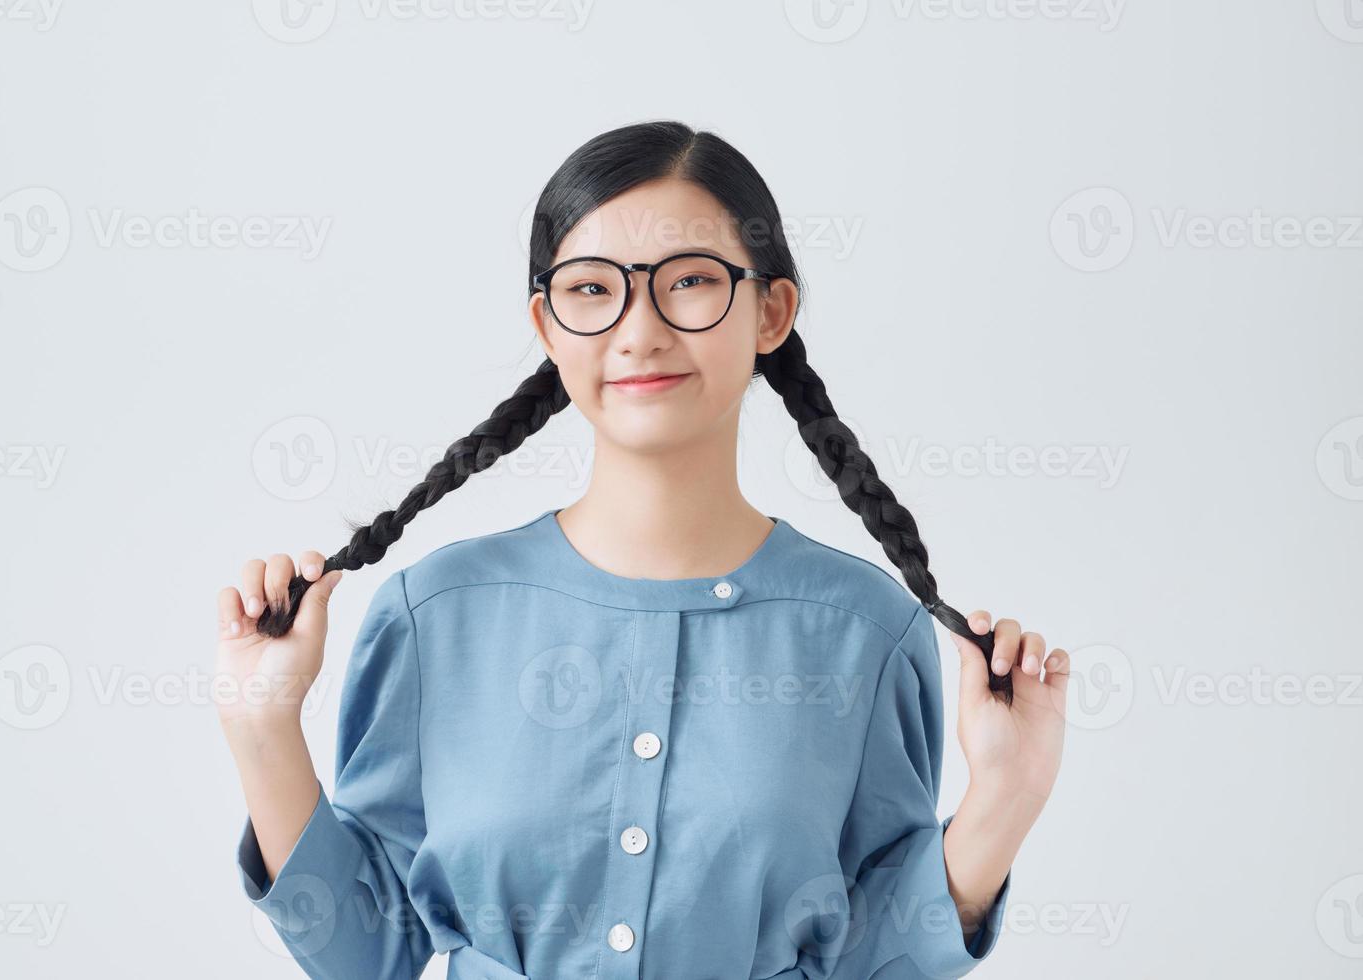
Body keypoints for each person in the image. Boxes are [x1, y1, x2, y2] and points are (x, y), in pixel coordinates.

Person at [215, 120, 1069, 980]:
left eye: (690, 281)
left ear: (770, 311)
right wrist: (262, 728)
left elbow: (877, 959)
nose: (638, 331)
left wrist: (1004, 797)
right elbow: (368, 952)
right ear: (548, 326)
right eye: (592, 290)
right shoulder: (435, 614)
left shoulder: (864, 630)